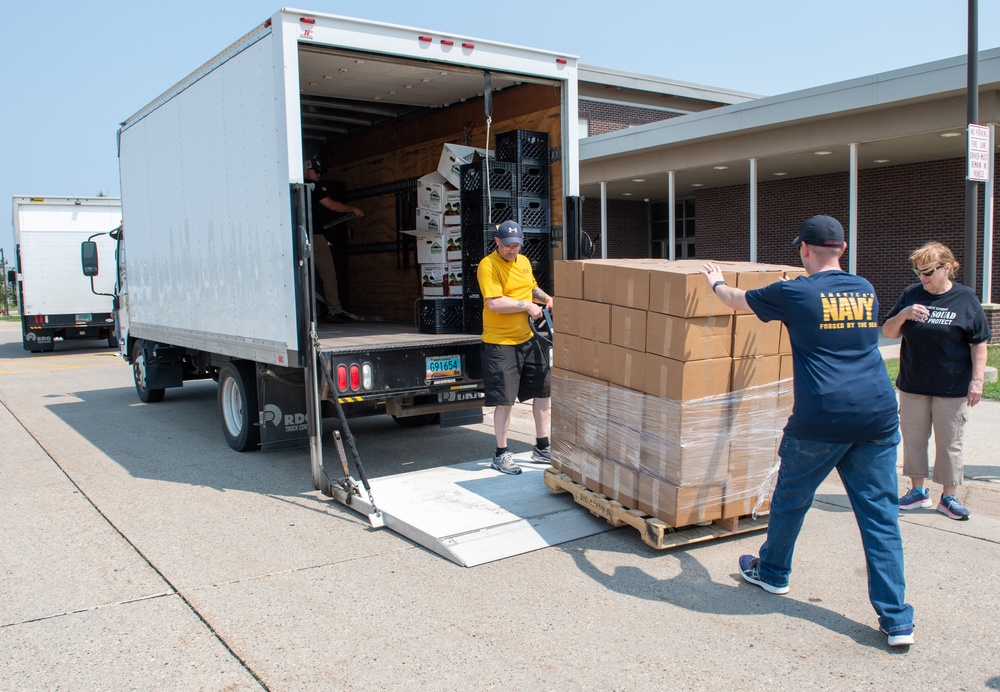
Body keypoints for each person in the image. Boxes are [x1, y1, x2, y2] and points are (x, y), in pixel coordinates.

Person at [701, 214, 915, 648]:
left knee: (792, 498)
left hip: (822, 418)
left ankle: (774, 572)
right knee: (880, 518)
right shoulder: (865, 288)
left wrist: (715, 282)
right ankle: (897, 621)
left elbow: (736, 300)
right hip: (876, 414)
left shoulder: (794, 291)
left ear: (803, 250)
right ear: (843, 249)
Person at [882, 242, 990, 521]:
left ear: (946, 268)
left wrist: (977, 381)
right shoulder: (911, 294)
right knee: (914, 440)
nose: (922, 277)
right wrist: (904, 314)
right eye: (919, 272)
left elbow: (979, 343)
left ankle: (949, 496)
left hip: (951, 387)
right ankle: (918, 492)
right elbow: (889, 332)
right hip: (913, 384)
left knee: (949, 442)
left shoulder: (965, 299)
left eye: (928, 271)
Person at [477, 220, 554, 475]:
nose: (513, 250)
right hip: (500, 343)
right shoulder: (488, 265)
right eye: (509, 245)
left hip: (528, 338)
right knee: (505, 399)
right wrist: (527, 306)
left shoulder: (523, 262)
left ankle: (542, 447)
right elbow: (494, 304)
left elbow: (531, 288)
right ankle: (501, 453)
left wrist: (546, 299)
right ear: (497, 241)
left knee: (543, 391)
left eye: (517, 245)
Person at [304, 159, 363, 323]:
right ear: (306, 170)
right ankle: (335, 310)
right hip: (314, 235)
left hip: (296, 235)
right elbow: (332, 206)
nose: (318, 174)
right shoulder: (312, 187)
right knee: (328, 273)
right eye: (316, 171)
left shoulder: (291, 186)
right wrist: (353, 208)